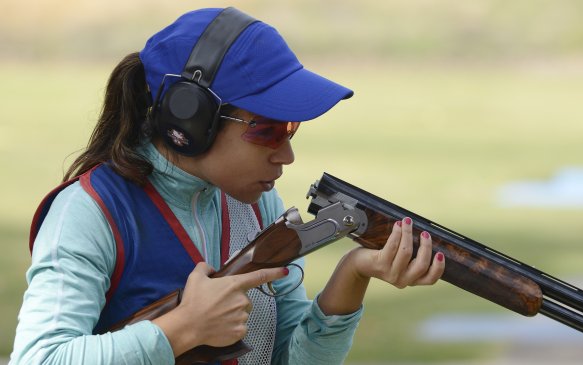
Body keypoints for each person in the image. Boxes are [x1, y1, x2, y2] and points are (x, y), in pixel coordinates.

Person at [10, 7, 445, 365]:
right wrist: (183, 330)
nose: (286, 155)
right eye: (268, 130)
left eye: (289, 129)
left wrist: (354, 272)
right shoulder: (89, 212)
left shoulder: (256, 205)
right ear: (190, 120)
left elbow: (289, 359)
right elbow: (41, 357)